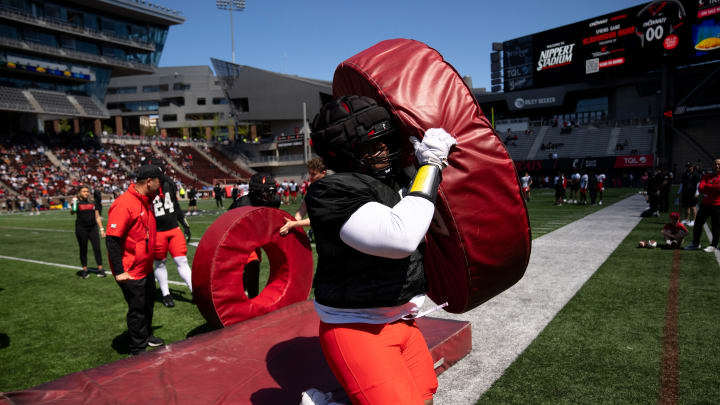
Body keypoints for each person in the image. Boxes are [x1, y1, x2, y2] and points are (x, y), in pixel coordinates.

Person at [305, 95, 456, 405]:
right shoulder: (330, 190)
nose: (385, 150)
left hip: (401, 318)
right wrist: (429, 166)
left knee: (424, 397)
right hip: (358, 327)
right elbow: (399, 239)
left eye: (386, 140)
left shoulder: (387, 179)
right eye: (372, 145)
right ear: (342, 153)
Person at [106, 165, 165, 356]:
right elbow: (112, 239)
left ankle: (145, 336)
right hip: (131, 270)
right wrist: (119, 270)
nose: (160, 186)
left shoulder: (146, 200)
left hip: (145, 267)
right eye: (159, 181)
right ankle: (137, 347)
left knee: (148, 303)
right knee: (137, 309)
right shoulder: (124, 203)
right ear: (149, 182)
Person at [228, 172, 281, 298]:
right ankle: (252, 298)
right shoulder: (242, 205)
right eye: (266, 192)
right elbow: (230, 228)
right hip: (239, 236)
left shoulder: (274, 200)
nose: (271, 195)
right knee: (252, 264)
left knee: (252, 265)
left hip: (256, 235)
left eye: (272, 191)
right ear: (255, 191)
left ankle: (247, 290)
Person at [150, 162, 192, 308]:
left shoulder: (169, 184)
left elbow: (176, 206)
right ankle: (165, 293)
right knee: (160, 263)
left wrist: (184, 223)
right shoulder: (146, 188)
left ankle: (195, 290)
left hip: (174, 229)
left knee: (182, 261)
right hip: (157, 232)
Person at [279, 157, 327, 236]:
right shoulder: (312, 187)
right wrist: (292, 222)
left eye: (313, 174)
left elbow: (320, 218)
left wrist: (294, 224)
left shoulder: (330, 189)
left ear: (323, 173)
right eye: (309, 173)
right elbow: (303, 208)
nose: (310, 177)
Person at [685, 158, 720, 252]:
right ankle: (695, 243)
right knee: (697, 224)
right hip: (705, 204)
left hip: (717, 205)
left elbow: (718, 188)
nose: (717, 166)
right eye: (715, 164)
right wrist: (713, 187)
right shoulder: (707, 176)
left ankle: (713, 245)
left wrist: (708, 187)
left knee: (715, 226)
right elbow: (700, 188)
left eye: (719, 164)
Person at [71, 185, 106, 278]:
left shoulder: (93, 202)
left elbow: (97, 217)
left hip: (93, 228)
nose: (86, 193)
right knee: (83, 249)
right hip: (81, 229)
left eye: (87, 191)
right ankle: (85, 270)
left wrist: (102, 229)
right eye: (84, 191)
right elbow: (72, 212)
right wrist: (73, 204)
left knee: (97, 248)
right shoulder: (76, 202)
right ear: (79, 192)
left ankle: (100, 269)